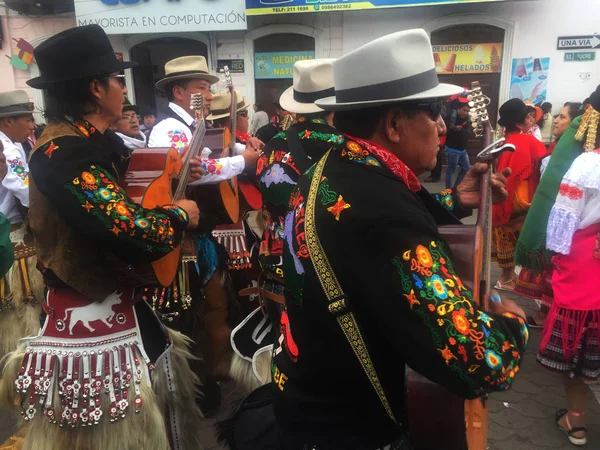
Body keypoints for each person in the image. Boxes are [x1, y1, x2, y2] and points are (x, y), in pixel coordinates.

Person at [272, 29, 529, 449]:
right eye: (434, 111)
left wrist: (456, 200)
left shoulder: (331, 168)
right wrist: (513, 320)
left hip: (305, 407)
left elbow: (359, 241)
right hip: (353, 429)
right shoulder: (384, 208)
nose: (444, 126)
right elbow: (479, 361)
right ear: (393, 124)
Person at [0, 25, 204, 450]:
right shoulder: (64, 154)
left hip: (120, 301)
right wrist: (178, 216)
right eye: (118, 80)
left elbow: (137, 177)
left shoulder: (94, 141)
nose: (124, 91)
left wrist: (177, 176)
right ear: (96, 88)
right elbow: (127, 230)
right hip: (88, 311)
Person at [537, 109, 600, 446]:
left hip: (587, 270)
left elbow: (563, 224)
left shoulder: (588, 165)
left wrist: (555, 256)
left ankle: (576, 423)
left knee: (577, 356)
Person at [515, 101, 584, 327]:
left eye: (563, 117)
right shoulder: (557, 147)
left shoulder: (574, 152)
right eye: (557, 116)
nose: (556, 120)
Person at [148, 56, 261, 183]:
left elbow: (215, 145)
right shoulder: (170, 127)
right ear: (178, 92)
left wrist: (245, 148)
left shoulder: (193, 123)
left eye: (209, 89)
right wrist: (243, 161)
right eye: (202, 88)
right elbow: (195, 169)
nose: (210, 96)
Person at [0, 90, 44, 362]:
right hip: (11, 239)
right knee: (21, 313)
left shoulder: (12, 144)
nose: (32, 125)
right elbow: (26, 191)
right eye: (26, 119)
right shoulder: (7, 147)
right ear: (7, 122)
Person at [492, 98, 546, 291]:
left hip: (504, 195)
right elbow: (544, 164)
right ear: (518, 123)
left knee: (505, 234)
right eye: (527, 116)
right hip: (521, 196)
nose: (531, 119)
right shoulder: (528, 141)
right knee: (523, 237)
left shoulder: (503, 141)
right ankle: (513, 280)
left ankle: (505, 278)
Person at [444, 94, 471, 189]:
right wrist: (454, 129)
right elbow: (446, 132)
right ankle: (448, 190)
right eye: (464, 110)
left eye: (467, 111)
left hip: (462, 149)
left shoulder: (467, 118)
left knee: (466, 168)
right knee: (451, 170)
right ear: (459, 109)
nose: (466, 113)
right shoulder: (450, 117)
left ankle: (456, 187)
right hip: (452, 149)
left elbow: (467, 131)